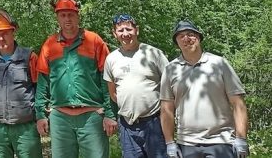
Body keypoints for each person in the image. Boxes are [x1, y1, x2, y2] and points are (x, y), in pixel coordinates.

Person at [36, 0, 116, 158]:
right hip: (60, 118)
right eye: (63, 15)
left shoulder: (94, 41)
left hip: (91, 116)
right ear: (57, 18)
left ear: (77, 15)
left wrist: (110, 114)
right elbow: (43, 83)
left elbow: (107, 80)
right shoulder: (49, 45)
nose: (67, 19)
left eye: (71, 14)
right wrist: (40, 115)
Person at [160, 20, 249, 158]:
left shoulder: (219, 63)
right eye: (181, 36)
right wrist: (170, 143)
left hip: (222, 141)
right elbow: (166, 109)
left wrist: (241, 139)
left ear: (199, 38)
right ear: (176, 42)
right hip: (187, 144)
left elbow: (238, 103)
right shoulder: (171, 69)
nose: (186, 39)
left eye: (190, 34)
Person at [104, 14, 168, 158]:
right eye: (120, 31)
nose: (125, 34)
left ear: (136, 30)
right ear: (115, 34)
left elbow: (170, 86)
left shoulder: (153, 53)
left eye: (129, 29)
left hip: (154, 123)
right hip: (127, 125)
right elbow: (113, 93)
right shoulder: (111, 59)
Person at [0, 10, 41, 158]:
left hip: (25, 126)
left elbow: (39, 88)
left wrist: (39, 115)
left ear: (13, 32)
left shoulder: (29, 57)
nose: (1, 38)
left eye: (5, 33)